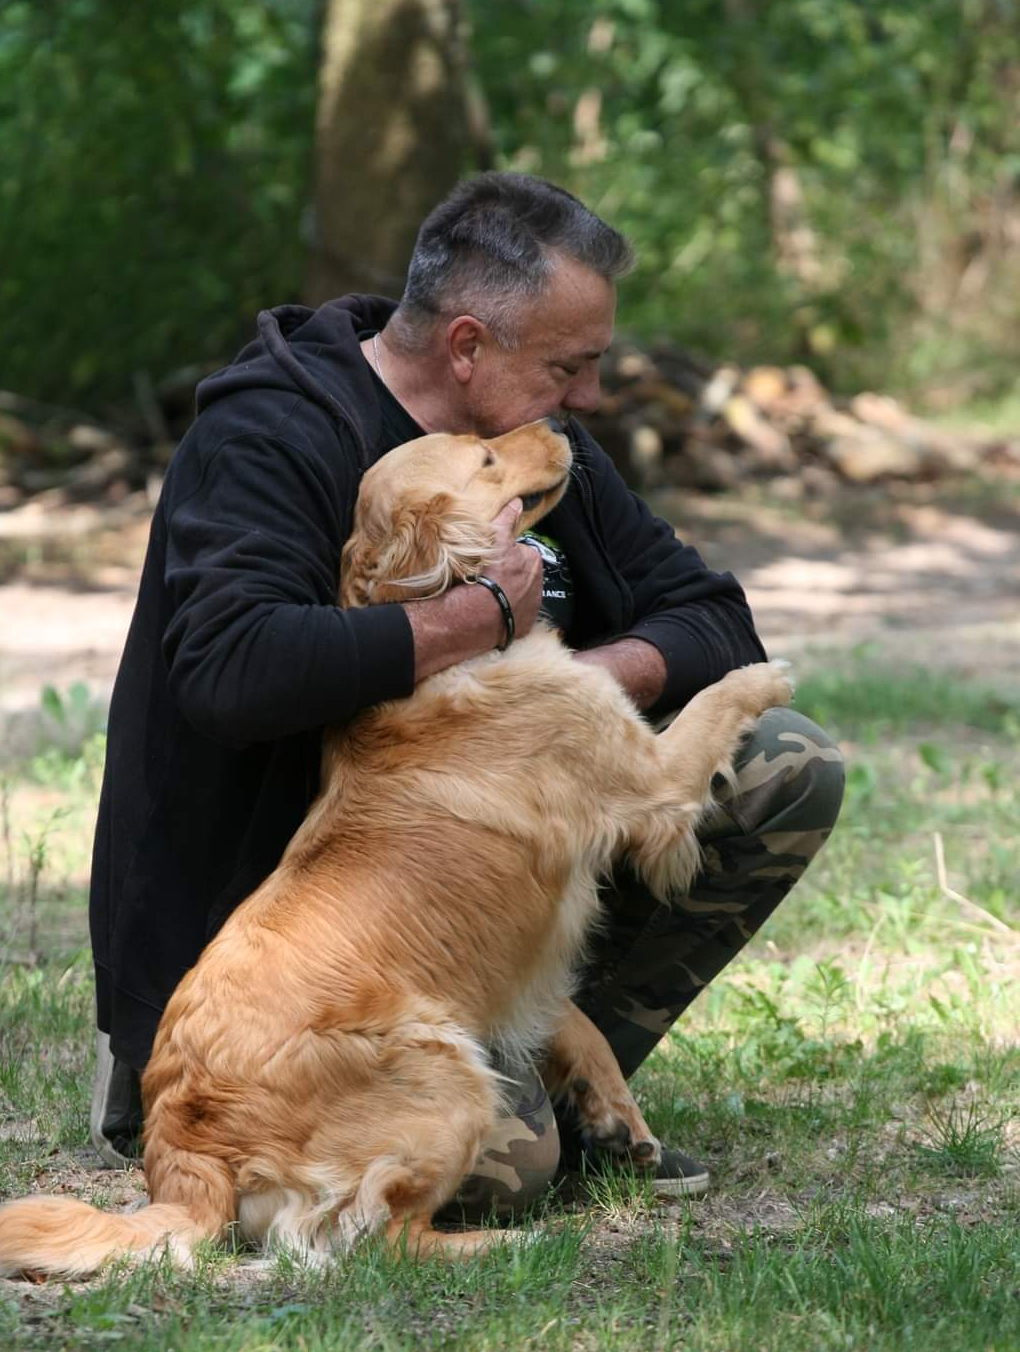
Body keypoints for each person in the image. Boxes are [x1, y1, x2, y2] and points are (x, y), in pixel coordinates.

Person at [89, 172, 844, 1216]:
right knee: (499, 1174)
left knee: (784, 761)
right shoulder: (268, 435)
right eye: (567, 365)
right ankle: (205, 1105)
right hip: (278, 983)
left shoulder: (536, 447)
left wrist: (564, 696)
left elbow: (712, 615)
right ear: (469, 345)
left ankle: (547, 1066)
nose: (584, 397)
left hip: (452, 922)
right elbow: (232, 666)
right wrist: (478, 623)